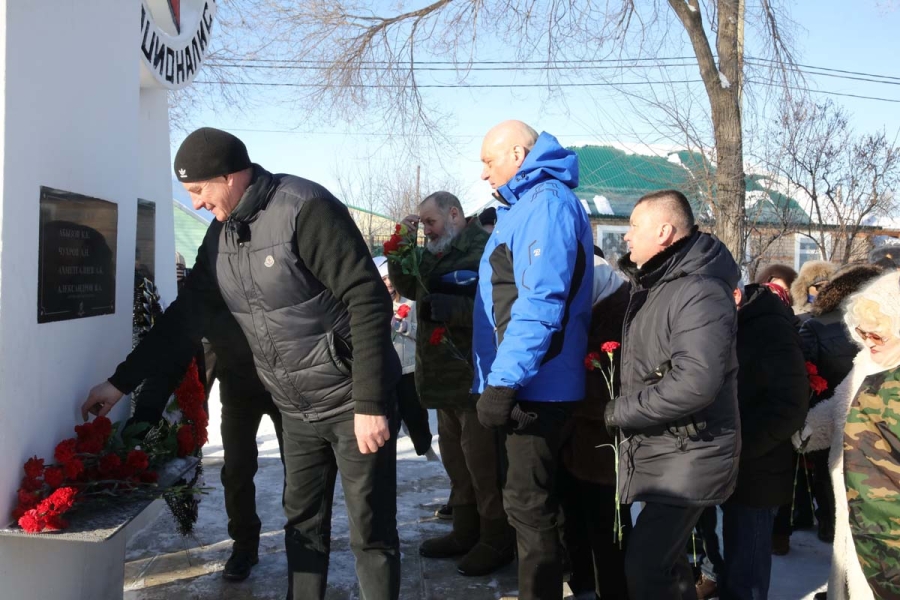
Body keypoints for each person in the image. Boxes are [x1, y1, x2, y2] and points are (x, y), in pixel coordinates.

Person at [81, 127, 401, 600]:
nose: (195, 204)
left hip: (350, 399)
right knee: (302, 527)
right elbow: (183, 318)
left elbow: (368, 298)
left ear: (229, 177)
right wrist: (119, 383)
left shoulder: (304, 207)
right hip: (295, 408)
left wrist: (370, 402)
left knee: (370, 532)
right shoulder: (221, 236)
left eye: (198, 190)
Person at [473, 120, 593, 600]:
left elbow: (541, 301)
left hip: (536, 384)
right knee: (541, 502)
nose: (484, 173)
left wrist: (503, 383)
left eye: (489, 161)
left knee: (528, 505)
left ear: (518, 155)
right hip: (531, 379)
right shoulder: (524, 206)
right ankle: (570, 585)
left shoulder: (545, 204)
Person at [604, 189, 741, 600]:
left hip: (691, 450)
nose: (626, 236)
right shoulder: (659, 284)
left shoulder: (699, 290)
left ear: (663, 232)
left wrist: (620, 411)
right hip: (667, 448)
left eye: (634, 226)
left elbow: (695, 382)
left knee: (647, 567)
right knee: (667, 565)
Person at [390, 191, 514, 576]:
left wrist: (456, 310)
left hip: (473, 378)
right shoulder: (435, 251)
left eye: (431, 222)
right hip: (442, 379)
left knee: (483, 465)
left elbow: (502, 305)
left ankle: (495, 539)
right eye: (424, 224)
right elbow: (409, 286)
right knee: (457, 464)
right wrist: (401, 244)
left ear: (455, 214)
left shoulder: (484, 248)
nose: (427, 230)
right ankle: (465, 531)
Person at [797, 270, 900, 600]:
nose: (867, 342)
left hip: (887, 523)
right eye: (861, 332)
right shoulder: (865, 363)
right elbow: (838, 408)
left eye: (877, 336)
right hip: (852, 505)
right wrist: (804, 431)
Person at [720, 282, 809, 600]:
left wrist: (743, 447)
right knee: (737, 557)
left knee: (747, 570)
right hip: (738, 462)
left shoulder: (770, 327)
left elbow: (790, 405)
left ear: (734, 296)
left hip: (759, 468)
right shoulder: (741, 321)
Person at [559, 252, 631, 600]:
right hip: (577, 444)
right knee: (578, 526)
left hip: (606, 448)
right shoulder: (593, 306)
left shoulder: (620, 314)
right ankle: (584, 582)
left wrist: (567, 389)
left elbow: (614, 385)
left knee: (608, 536)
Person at [798, 263, 883, 546]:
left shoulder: (816, 325)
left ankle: (829, 523)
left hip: (830, 410)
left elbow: (805, 372)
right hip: (873, 416)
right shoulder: (884, 329)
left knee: (829, 469)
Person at [373, 256, 434, 458]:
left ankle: (425, 450)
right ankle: (387, 457)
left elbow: (424, 333)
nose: (388, 283)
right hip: (383, 371)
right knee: (389, 417)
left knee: (415, 414)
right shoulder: (372, 303)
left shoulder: (410, 301)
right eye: (383, 279)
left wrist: (404, 326)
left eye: (390, 278)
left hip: (408, 369)